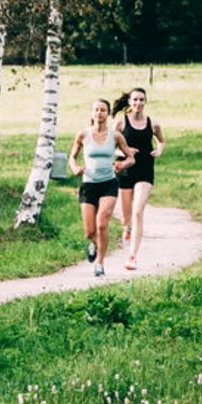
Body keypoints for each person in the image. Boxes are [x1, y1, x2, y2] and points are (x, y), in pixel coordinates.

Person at [69, 98, 136, 277]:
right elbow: (72, 157)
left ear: (107, 114)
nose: (99, 113)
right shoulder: (83, 135)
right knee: (89, 231)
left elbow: (131, 158)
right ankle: (95, 244)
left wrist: (122, 165)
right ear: (92, 113)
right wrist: (75, 168)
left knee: (102, 224)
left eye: (103, 110)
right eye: (96, 110)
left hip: (108, 183)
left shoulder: (115, 136)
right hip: (88, 184)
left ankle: (99, 262)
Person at [114, 87, 165, 271]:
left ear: (145, 102)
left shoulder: (152, 124)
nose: (138, 103)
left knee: (138, 211)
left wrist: (158, 150)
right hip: (125, 169)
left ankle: (132, 256)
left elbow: (161, 141)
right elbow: (110, 147)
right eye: (135, 100)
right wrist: (124, 152)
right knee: (125, 216)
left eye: (141, 100)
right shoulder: (120, 123)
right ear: (129, 102)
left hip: (145, 169)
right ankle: (126, 228)